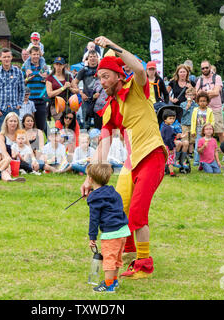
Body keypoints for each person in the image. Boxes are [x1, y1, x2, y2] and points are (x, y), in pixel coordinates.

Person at [81, 36, 166, 280]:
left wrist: (113, 46)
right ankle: (129, 253)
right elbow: (103, 148)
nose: (102, 82)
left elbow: (139, 68)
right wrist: (89, 178)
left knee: (138, 213)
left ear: (119, 76)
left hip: (152, 155)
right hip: (132, 163)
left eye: (105, 76)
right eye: (99, 78)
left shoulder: (137, 88)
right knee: (120, 208)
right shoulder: (110, 107)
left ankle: (144, 265)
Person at [87, 163, 130, 293]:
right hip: (123, 231)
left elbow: (94, 220)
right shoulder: (114, 192)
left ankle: (108, 285)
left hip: (111, 234)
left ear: (90, 179)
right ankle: (114, 281)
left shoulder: (95, 198)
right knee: (116, 258)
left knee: (109, 260)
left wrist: (92, 237)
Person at [0, 48, 25, 132]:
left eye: (8, 57)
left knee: (15, 134)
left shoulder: (18, 72)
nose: (6, 59)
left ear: (11, 57)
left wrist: (19, 104)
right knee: (1, 134)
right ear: (0, 57)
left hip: (14, 108)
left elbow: (22, 90)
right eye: (4, 57)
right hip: (0, 110)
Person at [22, 46, 49, 133]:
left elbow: (49, 81)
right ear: (30, 55)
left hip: (41, 99)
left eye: (38, 54)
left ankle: (42, 144)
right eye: (34, 54)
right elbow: (21, 83)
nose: (36, 56)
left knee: (41, 125)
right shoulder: (25, 68)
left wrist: (46, 78)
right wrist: (27, 79)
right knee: (29, 125)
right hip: (29, 100)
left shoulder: (44, 68)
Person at [195, 60, 224, 140]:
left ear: (210, 67)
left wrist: (204, 95)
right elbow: (197, 95)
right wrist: (210, 93)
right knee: (204, 131)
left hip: (216, 108)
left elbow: (216, 92)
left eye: (206, 67)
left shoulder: (217, 77)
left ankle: (223, 150)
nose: (204, 69)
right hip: (204, 110)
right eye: (203, 68)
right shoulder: (199, 80)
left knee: (219, 131)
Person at [72, 50, 100, 129]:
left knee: (98, 125)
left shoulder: (101, 69)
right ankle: (85, 141)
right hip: (86, 100)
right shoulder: (83, 70)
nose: (92, 58)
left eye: (94, 56)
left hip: (99, 100)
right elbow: (74, 83)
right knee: (86, 125)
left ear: (97, 58)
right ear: (88, 58)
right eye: (90, 57)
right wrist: (81, 93)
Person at [46, 57, 78, 121]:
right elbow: (49, 94)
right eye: (57, 64)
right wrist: (63, 88)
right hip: (56, 106)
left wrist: (70, 88)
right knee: (60, 124)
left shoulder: (68, 76)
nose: (58, 66)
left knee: (70, 125)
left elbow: (77, 90)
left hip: (68, 106)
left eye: (60, 64)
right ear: (54, 65)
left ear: (63, 66)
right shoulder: (50, 78)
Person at [191, 91, 214, 166]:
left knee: (207, 147)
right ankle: (196, 160)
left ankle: (206, 160)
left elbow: (212, 121)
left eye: (204, 101)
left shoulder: (209, 111)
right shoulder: (195, 110)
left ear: (207, 102)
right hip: (198, 131)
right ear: (197, 102)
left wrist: (210, 129)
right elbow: (193, 121)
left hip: (206, 132)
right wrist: (192, 131)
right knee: (197, 146)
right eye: (200, 101)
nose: (202, 103)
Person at [180, 87, 198, 161]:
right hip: (184, 123)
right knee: (185, 139)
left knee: (192, 140)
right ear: (185, 96)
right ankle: (184, 153)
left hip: (192, 124)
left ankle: (190, 153)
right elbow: (182, 114)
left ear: (194, 96)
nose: (189, 97)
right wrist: (187, 107)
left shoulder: (196, 105)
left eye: (191, 95)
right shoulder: (183, 104)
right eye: (188, 95)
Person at [160, 109, 179, 177]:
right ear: (165, 119)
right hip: (168, 146)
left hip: (165, 145)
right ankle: (172, 173)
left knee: (165, 160)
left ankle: (163, 172)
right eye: (170, 118)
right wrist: (171, 148)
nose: (172, 120)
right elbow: (168, 139)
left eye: (173, 118)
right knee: (170, 160)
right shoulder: (168, 128)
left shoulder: (164, 127)